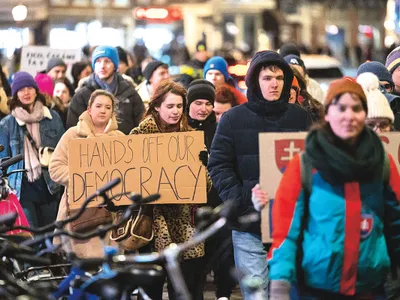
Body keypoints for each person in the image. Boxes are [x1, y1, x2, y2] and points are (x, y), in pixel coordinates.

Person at [263, 77, 400, 299]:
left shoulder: (382, 163)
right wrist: (280, 286)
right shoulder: (305, 164)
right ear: (327, 114)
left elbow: (397, 225)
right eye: (341, 108)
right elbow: (286, 234)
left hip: (370, 289)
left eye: (356, 109)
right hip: (314, 289)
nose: (349, 116)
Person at [208, 50, 311, 299]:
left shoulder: (301, 117)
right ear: (255, 80)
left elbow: (314, 164)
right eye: (266, 78)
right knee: (256, 294)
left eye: (278, 77)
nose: (273, 83)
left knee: (288, 292)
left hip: (291, 225)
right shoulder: (233, 119)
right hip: (249, 224)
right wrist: (242, 199)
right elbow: (219, 165)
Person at [130, 79, 209, 300]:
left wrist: (203, 165)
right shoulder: (139, 136)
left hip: (184, 223)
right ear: (156, 106)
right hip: (150, 223)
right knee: (151, 287)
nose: (176, 112)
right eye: (170, 106)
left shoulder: (191, 137)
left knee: (185, 288)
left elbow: (206, 188)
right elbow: (130, 181)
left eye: (179, 106)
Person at [49, 90, 123, 258]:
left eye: (107, 107)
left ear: (112, 111)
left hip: (110, 213)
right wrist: (84, 177)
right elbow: (55, 168)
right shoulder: (72, 135)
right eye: (98, 106)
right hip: (78, 213)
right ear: (89, 109)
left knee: (108, 268)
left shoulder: (120, 138)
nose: (103, 110)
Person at [186, 79, 237, 300]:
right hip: (189, 211)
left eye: (208, 103)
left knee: (223, 260)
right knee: (195, 265)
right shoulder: (179, 131)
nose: (204, 108)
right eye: (198, 102)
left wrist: (212, 162)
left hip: (216, 205)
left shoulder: (221, 130)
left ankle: (223, 295)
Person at [0, 72, 64, 228]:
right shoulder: (7, 123)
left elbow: (63, 150)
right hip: (22, 188)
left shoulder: (52, 117)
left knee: (49, 234)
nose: (26, 92)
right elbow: (3, 159)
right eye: (21, 89)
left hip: (49, 185)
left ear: (36, 90)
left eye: (29, 87)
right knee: (31, 235)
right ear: (15, 94)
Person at [66, 45, 145, 134]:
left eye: (107, 61)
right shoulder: (82, 95)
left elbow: (141, 126)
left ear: (115, 66)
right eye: (98, 62)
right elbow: (73, 129)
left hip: (125, 146)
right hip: (92, 146)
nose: (102, 66)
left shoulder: (130, 93)